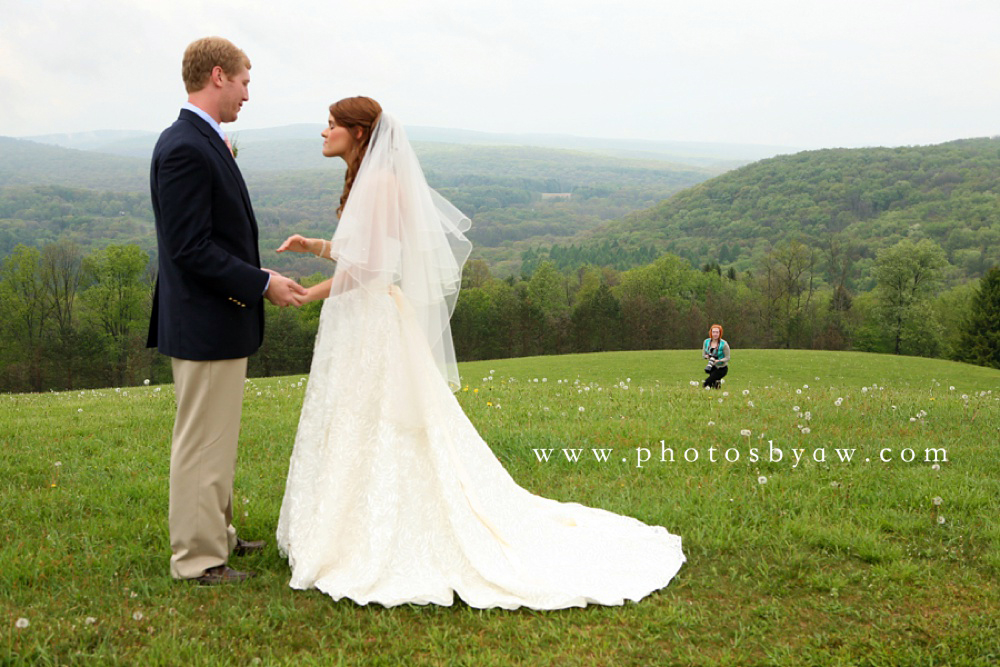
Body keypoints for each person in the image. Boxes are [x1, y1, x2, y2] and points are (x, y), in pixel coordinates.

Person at [274, 96, 685, 609]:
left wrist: (309, 293)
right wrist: (313, 246)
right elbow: (362, 247)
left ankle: (370, 531)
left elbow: (374, 265)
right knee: (362, 420)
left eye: (332, 124)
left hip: (371, 319)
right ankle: (350, 520)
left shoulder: (378, 181)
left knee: (378, 422)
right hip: (366, 318)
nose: (323, 132)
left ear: (358, 133)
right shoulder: (369, 177)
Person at [148, 37, 306, 585]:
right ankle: (197, 558)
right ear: (218, 76)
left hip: (213, 319)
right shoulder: (186, 148)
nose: (246, 93)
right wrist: (263, 283)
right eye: (244, 81)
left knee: (216, 437)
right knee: (201, 440)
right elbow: (191, 249)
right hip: (204, 321)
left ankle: (220, 535)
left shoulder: (201, 139)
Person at [702, 324, 730, 389]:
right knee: (715, 385)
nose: (715, 334)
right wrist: (707, 356)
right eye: (713, 332)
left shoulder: (724, 344)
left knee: (707, 383)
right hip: (711, 367)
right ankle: (715, 396)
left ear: (720, 333)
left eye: (717, 332)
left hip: (721, 368)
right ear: (711, 333)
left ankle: (703, 392)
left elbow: (727, 357)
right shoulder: (706, 342)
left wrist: (719, 360)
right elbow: (704, 355)